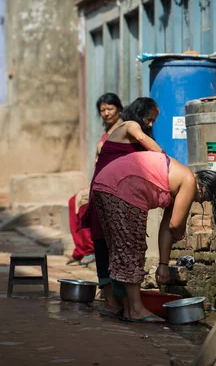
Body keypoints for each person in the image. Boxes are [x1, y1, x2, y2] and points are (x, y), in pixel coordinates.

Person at [93, 153, 216, 323]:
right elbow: (174, 226)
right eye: (204, 199)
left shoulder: (179, 181)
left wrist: (163, 265)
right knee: (132, 247)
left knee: (121, 248)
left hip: (105, 183)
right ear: (203, 187)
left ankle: (123, 306)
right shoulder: (189, 181)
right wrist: (180, 233)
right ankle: (135, 310)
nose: (199, 202)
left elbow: (166, 226)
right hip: (122, 185)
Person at [82, 97, 162, 318]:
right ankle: (111, 302)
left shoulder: (130, 130)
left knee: (116, 244)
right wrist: (166, 159)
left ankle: (120, 302)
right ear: (139, 114)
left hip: (113, 191)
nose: (151, 124)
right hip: (106, 191)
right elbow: (142, 138)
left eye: (154, 121)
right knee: (103, 243)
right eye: (149, 119)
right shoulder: (130, 126)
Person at [66, 93, 124, 266]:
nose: (106, 113)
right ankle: (80, 250)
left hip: (114, 182)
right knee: (72, 201)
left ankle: (90, 250)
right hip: (100, 179)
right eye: (103, 110)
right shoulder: (107, 131)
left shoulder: (122, 130)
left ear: (119, 108)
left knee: (84, 204)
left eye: (110, 109)